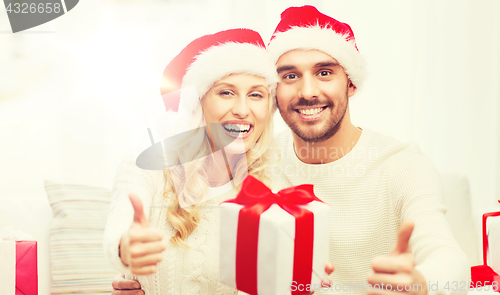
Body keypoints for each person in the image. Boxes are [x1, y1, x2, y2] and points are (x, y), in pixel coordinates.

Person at [112, 5, 470, 295]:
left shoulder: (400, 164)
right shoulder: (254, 160)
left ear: (352, 84)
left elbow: (448, 257)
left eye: (325, 72)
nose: (307, 91)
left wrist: (422, 283)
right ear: (272, 92)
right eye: (289, 75)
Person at [104, 29, 282, 294]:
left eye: (256, 95)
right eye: (226, 93)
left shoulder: (274, 184)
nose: (243, 110)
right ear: (197, 104)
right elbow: (120, 225)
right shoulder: (147, 167)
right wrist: (126, 247)